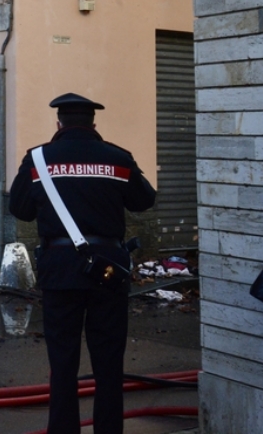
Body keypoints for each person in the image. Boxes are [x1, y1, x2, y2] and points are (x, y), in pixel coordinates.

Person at [9, 93, 157, 434]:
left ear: (58, 124)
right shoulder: (118, 159)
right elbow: (144, 200)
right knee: (108, 364)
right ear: (94, 125)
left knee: (62, 363)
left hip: (60, 270)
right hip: (108, 270)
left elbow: (20, 209)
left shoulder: (38, 160)